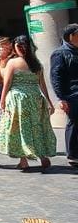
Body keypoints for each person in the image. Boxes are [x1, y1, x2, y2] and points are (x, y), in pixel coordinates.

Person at [0, 35, 57, 171]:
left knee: (19, 128)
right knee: (36, 127)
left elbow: (7, 83)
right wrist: (49, 102)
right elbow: (42, 85)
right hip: (35, 98)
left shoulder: (13, 62)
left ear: (18, 47)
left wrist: (2, 100)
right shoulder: (36, 63)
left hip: (17, 98)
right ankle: (42, 156)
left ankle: (23, 161)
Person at [50, 23, 78, 167]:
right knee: (74, 122)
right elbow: (56, 77)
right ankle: (73, 155)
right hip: (72, 94)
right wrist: (61, 98)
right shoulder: (60, 53)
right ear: (71, 36)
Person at [0, 37, 14, 106]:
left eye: (8, 48)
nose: (6, 50)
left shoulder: (13, 58)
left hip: (12, 85)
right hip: (1, 86)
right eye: (2, 48)